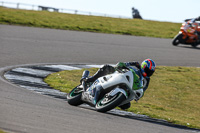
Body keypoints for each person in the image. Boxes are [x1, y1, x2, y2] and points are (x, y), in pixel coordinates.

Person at [81, 59, 156, 110]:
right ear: (143, 66)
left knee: (127, 106)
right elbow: (125, 64)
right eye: (147, 70)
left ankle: (108, 100)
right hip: (119, 75)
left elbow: (143, 89)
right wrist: (121, 65)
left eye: (150, 72)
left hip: (129, 88)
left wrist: (138, 95)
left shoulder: (146, 80)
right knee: (106, 67)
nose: (148, 73)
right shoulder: (136, 65)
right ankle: (90, 79)